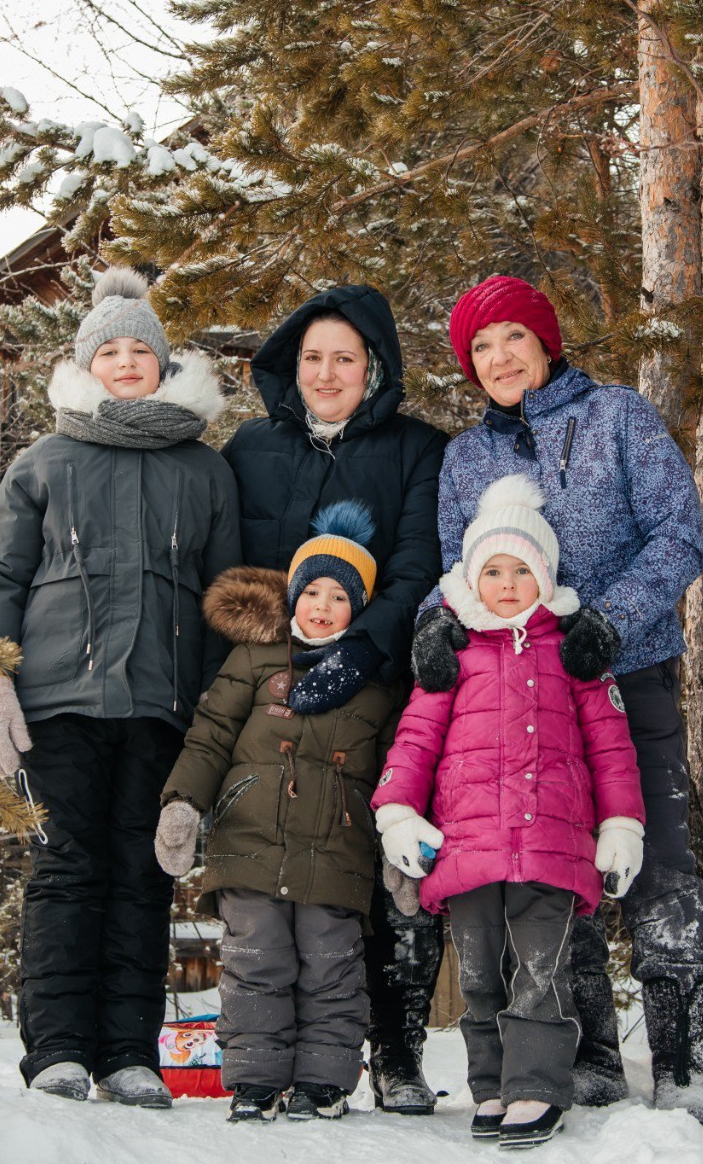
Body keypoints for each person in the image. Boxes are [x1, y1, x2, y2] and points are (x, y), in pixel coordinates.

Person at [411, 275, 703, 1126]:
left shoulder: (617, 416)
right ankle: (588, 1059)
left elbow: (677, 531)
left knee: (655, 861)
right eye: (480, 348)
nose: (498, 358)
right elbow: (451, 569)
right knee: (552, 867)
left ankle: (682, 1061)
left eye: (512, 337)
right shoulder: (466, 458)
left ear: (546, 343)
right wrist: (434, 624)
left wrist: (611, 620)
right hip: (517, 689)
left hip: (629, 672)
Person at [0, 268, 240, 1108]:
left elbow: (224, 597)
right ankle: (55, 1050)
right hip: (56, 704)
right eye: (110, 351)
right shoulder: (46, 459)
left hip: (161, 708)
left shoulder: (202, 469)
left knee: (143, 874)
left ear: (163, 365)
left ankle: (128, 1053)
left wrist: (212, 721)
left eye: (141, 351)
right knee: (64, 869)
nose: (126, 363)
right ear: (87, 366)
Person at [222, 286, 448, 1112]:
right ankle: (267, 1059)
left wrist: (361, 650)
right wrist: (260, 667)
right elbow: (228, 566)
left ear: (372, 369)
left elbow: (423, 561)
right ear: (290, 366)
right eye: (311, 357)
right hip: (270, 694)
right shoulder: (248, 449)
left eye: (344, 358)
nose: (326, 373)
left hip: (378, 690)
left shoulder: (418, 449)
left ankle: (394, 1047)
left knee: (383, 865)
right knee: (273, 872)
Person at [373, 475, 645, 1149]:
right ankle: (491, 1085)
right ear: (469, 579)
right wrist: (397, 811)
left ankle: (535, 1088)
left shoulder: (575, 656)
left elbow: (612, 748)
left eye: (520, 569)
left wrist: (620, 824)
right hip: (467, 847)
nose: (505, 582)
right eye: (490, 570)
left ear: (544, 577)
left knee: (539, 973)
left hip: (552, 846)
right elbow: (413, 740)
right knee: (476, 975)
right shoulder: (450, 655)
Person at [154, 504, 406, 1123]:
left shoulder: (377, 686)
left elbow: (399, 768)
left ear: (360, 609)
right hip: (250, 844)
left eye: (340, 596)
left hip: (336, 850)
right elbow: (210, 736)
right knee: (256, 962)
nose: (322, 605)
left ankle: (324, 1083)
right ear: (292, 596)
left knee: (330, 966)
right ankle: (256, 1081)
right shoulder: (253, 659)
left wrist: (402, 841)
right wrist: (183, 803)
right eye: (312, 590)